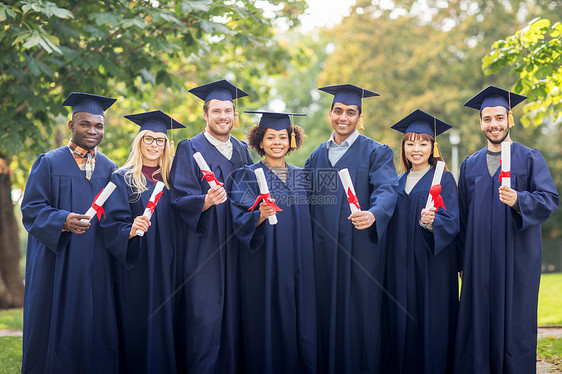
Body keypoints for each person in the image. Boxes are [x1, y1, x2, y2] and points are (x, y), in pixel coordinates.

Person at [454, 86, 559, 374]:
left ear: (509, 119)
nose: (494, 124)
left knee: (515, 323)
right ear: (480, 123)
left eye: (499, 118)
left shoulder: (529, 158)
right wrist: (462, 261)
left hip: (517, 261)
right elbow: (462, 218)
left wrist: (520, 199)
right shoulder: (469, 165)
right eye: (487, 119)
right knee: (478, 322)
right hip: (478, 264)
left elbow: (550, 199)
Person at [21, 92, 119, 373]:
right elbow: (31, 208)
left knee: (95, 324)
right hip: (58, 262)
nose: (92, 130)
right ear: (71, 126)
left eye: (98, 125)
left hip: (97, 265)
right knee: (56, 322)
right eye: (85, 124)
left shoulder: (111, 168)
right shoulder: (49, 163)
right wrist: (63, 220)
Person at [305, 84, 399, 373]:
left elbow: (387, 189)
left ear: (359, 116)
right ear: (329, 114)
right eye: (338, 111)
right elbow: (304, 201)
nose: (343, 117)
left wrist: (374, 213)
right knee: (325, 315)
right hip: (323, 254)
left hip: (361, 253)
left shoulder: (376, 152)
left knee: (362, 316)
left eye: (351, 112)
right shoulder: (316, 156)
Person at [169, 80, 253, 374]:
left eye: (228, 111)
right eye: (216, 111)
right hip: (204, 251)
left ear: (234, 115)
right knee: (205, 321)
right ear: (205, 115)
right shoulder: (189, 147)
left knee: (235, 321)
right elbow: (178, 197)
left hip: (238, 249)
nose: (223, 116)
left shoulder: (243, 151)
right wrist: (204, 201)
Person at [229, 111, 317, 374]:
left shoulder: (304, 176)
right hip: (265, 263)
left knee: (301, 322)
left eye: (282, 136)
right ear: (260, 141)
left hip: (301, 263)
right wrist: (259, 216)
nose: (277, 142)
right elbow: (238, 219)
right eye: (270, 137)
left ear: (292, 140)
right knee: (267, 321)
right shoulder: (247, 175)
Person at [101, 110, 185, 373]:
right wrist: (130, 228)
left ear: (166, 145)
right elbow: (110, 224)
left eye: (160, 140)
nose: (154, 145)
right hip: (139, 265)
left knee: (172, 321)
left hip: (172, 263)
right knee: (140, 321)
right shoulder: (122, 178)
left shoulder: (175, 180)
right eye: (149, 138)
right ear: (139, 141)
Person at [384, 109, 459, 374]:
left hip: (432, 268)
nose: (416, 148)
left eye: (423, 142)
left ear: (433, 147)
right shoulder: (395, 182)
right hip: (399, 268)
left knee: (431, 323)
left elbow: (453, 221)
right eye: (410, 143)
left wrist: (432, 222)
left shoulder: (444, 180)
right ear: (403, 147)